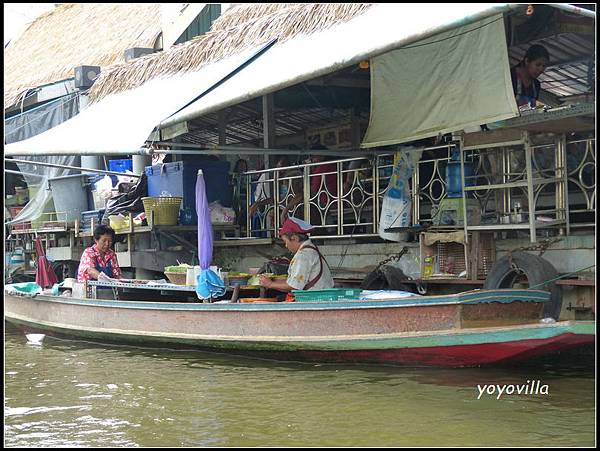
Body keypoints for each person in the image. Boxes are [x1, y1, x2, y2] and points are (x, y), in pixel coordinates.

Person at [259, 217, 334, 294]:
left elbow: (294, 286)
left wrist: (270, 284)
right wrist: (273, 281)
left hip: (314, 299)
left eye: (286, 241)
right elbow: (293, 281)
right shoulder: (310, 250)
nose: (286, 245)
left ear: (294, 238)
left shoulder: (303, 255)